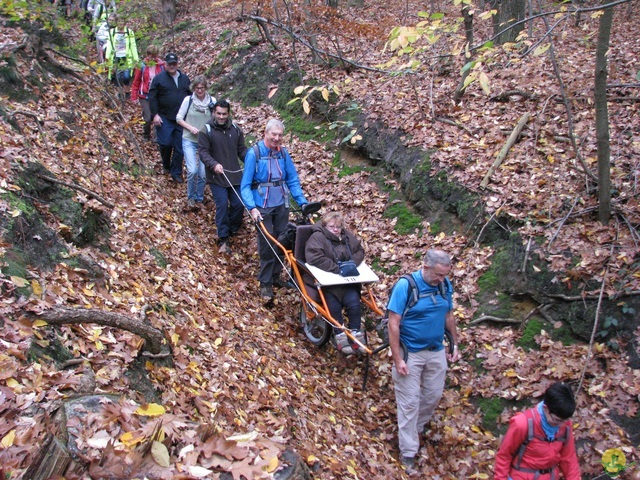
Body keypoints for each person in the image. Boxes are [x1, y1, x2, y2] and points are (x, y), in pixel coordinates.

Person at [387, 249, 460, 474]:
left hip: (436, 349)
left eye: (445, 275)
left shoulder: (444, 285)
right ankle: (408, 452)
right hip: (411, 352)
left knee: (433, 395)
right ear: (426, 267)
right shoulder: (405, 286)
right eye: (438, 275)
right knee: (409, 402)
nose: (441, 279)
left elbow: (448, 316)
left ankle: (415, 427)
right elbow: (393, 323)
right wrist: (398, 358)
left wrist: (455, 343)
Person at [240, 119, 308, 300]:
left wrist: (302, 202)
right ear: (266, 133)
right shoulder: (254, 153)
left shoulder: (283, 154)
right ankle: (265, 283)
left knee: (282, 241)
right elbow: (245, 185)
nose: (277, 138)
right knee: (267, 244)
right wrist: (252, 208)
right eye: (274, 134)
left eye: (280, 135)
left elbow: (292, 179)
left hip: (281, 204)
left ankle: (276, 276)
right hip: (262, 206)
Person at [305, 212, 365, 355]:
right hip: (328, 283)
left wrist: (351, 265)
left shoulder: (346, 236)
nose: (336, 229)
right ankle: (339, 335)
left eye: (338, 227)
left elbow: (360, 251)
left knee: (355, 304)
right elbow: (314, 257)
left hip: (346, 282)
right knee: (334, 307)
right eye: (332, 226)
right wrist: (337, 268)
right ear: (325, 226)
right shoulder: (318, 237)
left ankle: (356, 334)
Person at [494, 382, 581, 480]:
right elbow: (504, 456)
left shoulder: (565, 425)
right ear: (545, 409)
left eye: (565, 420)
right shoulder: (522, 424)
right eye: (557, 420)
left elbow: (569, 459)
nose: (561, 425)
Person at [198, 100, 247, 253]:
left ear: (228, 114)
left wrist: (252, 161)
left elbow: (242, 151)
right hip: (216, 177)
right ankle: (223, 237)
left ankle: (233, 229)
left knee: (238, 204)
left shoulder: (236, 130)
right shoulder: (206, 131)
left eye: (224, 114)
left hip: (234, 176)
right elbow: (203, 153)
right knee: (222, 206)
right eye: (218, 113)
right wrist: (213, 164)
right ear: (214, 113)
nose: (221, 116)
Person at [148, 53, 191, 183]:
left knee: (180, 147)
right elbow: (152, 97)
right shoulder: (159, 79)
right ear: (165, 65)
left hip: (181, 119)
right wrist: (154, 115)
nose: (172, 66)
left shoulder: (184, 79)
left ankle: (176, 172)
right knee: (165, 143)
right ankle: (166, 164)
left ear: (178, 64)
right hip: (164, 117)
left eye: (174, 64)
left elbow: (191, 96)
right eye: (169, 64)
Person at [176, 76, 215, 211]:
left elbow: (216, 119)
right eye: (197, 88)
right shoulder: (188, 100)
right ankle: (190, 197)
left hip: (205, 142)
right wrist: (190, 127)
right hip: (189, 139)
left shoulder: (212, 102)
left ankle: (199, 198)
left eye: (202, 88)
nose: (199, 90)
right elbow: (179, 118)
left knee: (203, 173)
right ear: (194, 88)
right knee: (192, 170)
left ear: (206, 88)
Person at [130, 45, 165, 141]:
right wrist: (134, 96)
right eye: (151, 56)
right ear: (147, 55)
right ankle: (146, 134)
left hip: (157, 95)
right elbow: (136, 81)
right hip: (144, 95)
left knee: (158, 116)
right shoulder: (141, 66)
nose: (152, 58)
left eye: (154, 56)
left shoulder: (161, 66)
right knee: (148, 118)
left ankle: (157, 136)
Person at [103, 14, 139, 89]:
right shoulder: (112, 32)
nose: (120, 23)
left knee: (126, 76)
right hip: (116, 57)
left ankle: (126, 90)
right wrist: (107, 58)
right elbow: (109, 45)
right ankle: (121, 93)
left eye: (122, 21)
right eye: (119, 21)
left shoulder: (129, 32)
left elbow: (133, 46)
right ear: (116, 22)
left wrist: (136, 59)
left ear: (125, 22)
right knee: (118, 77)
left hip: (126, 57)